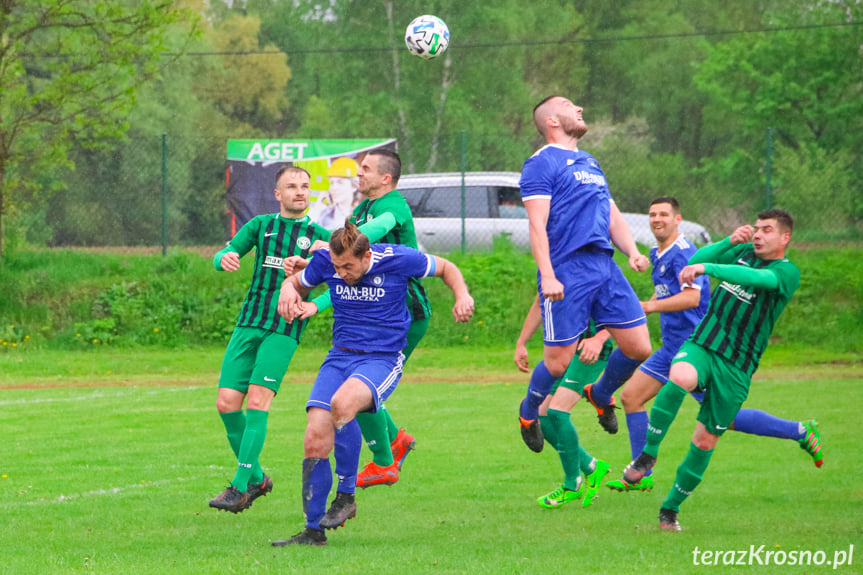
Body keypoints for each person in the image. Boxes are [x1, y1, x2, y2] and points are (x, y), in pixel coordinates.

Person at [271, 222, 473, 546]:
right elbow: (298, 282)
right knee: (315, 435)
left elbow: (446, 268)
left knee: (343, 404)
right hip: (339, 357)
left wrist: (461, 295)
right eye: (337, 267)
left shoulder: (399, 259)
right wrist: (287, 290)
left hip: (381, 358)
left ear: (366, 256)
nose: (342, 273)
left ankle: (346, 497)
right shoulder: (328, 262)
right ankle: (312, 530)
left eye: (348, 266)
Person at [607, 198, 821, 493]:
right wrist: (728, 241)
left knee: (723, 419)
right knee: (631, 396)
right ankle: (641, 469)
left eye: (663, 215)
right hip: (671, 346)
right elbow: (704, 258)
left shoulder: (682, 252)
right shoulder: (661, 253)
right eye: (652, 214)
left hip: (700, 344)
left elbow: (694, 296)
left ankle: (797, 430)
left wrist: (651, 305)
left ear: (677, 219)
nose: (657, 219)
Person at [517, 95, 652, 453]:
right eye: (569, 104)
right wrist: (547, 274)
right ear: (552, 122)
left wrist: (633, 251)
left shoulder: (590, 162)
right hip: (567, 268)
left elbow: (611, 214)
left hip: (604, 265)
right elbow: (536, 223)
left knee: (639, 346)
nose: (579, 107)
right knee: (558, 364)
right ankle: (528, 412)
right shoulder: (540, 163)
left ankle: (600, 392)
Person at [208, 166, 332, 514]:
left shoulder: (321, 237)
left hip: (283, 328)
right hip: (249, 323)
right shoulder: (260, 227)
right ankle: (259, 478)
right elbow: (222, 255)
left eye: (305, 186)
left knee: (258, 402)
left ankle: (239, 485)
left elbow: (344, 280)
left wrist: (315, 305)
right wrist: (224, 258)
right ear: (277, 194)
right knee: (226, 404)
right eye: (291, 186)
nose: (299, 191)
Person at [348, 149, 431, 488]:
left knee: (359, 390)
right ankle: (395, 441)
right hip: (375, 313)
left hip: (404, 313)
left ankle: (385, 460)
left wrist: (348, 239)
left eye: (366, 169)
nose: (360, 173)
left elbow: (378, 229)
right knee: (355, 385)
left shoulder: (393, 204)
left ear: (386, 178)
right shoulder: (361, 208)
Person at [515, 296, 612, 508]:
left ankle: (572, 485)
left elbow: (627, 315)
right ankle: (591, 466)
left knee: (558, 411)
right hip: (564, 348)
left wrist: (600, 338)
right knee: (541, 413)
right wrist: (521, 342)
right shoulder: (552, 272)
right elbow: (538, 303)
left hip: (591, 350)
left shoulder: (596, 269)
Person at [307, 157, 360, 230]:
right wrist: (316, 210)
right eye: (332, 183)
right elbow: (303, 232)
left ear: (354, 186)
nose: (334, 188)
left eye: (340, 182)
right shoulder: (323, 214)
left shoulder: (361, 213)